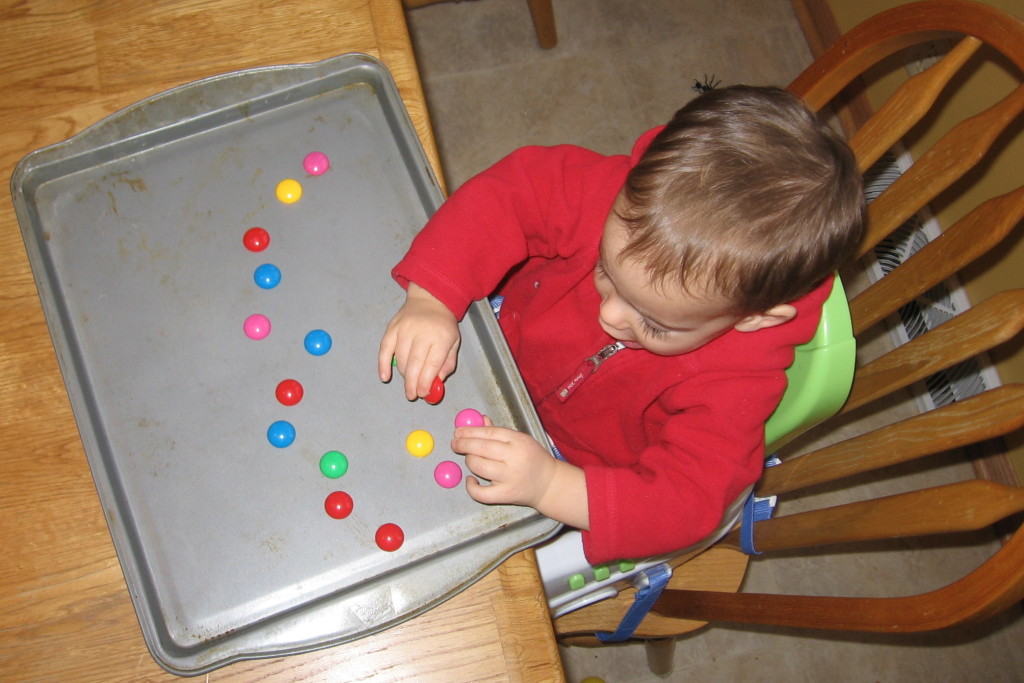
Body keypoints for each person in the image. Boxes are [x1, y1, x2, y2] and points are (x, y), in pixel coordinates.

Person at [377, 85, 864, 564]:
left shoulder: (738, 383)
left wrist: (551, 485)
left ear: (754, 318)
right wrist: (433, 297)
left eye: (653, 323)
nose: (609, 315)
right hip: (502, 339)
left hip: (569, 465)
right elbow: (514, 193)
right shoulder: (618, 195)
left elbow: (690, 504)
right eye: (606, 271)